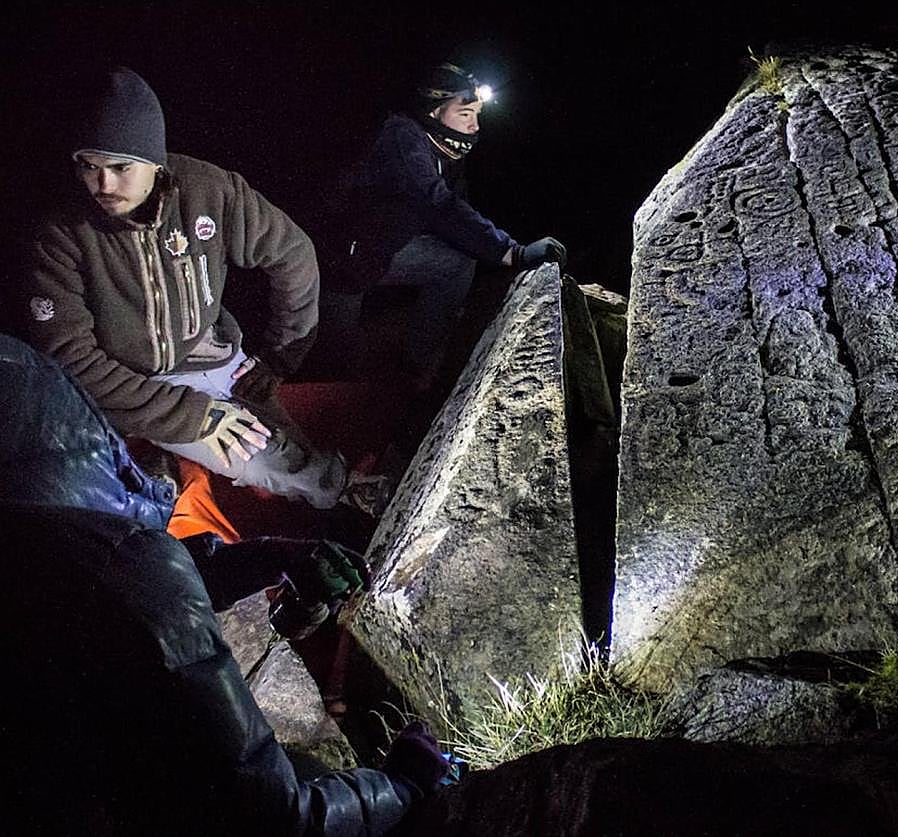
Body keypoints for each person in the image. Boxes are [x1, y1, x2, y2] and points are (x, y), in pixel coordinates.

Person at [0, 333, 451, 835]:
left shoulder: (37, 553)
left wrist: (266, 559)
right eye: (111, 455)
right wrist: (405, 782)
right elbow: (275, 818)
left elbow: (95, 590)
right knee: (307, 775)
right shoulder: (122, 566)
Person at [19, 66, 386, 513]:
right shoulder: (60, 233)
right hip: (139, 383)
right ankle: (353, 497)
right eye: (89, 167)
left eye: (120, 167)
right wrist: (191, 416)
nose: (104, 185)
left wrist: (281, 353)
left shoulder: (208, 190)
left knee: (286, 436)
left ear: (155, 160)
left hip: (214, 352)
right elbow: (71, 359)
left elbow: (292, 253)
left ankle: (338, 489)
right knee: (264, 456)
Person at [325, 61, 566, 385]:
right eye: (465, 114)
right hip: (339, 264)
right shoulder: (402, 135)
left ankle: (414, 363)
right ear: (434, 112)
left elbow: (459, 212)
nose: (474, 126)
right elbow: (438, 205)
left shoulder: (444, 153)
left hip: (383, 252)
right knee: (336, 368)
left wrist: (499, 254)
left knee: (456, 263)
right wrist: (513, 252)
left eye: (477, 116)